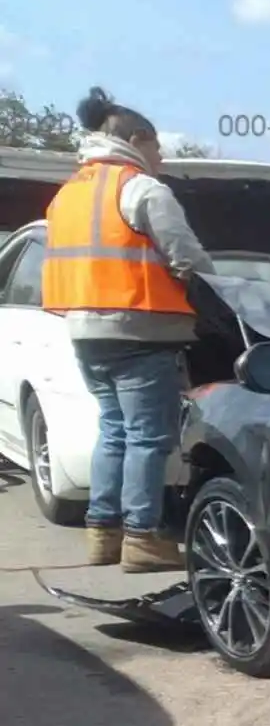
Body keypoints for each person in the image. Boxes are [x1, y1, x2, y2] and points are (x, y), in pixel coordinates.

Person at [42, 87, 213, 571]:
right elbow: (187, 257)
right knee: (148, 437)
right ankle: (143, 537)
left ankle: (104, 534)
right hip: (141, 329)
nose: (160, 157)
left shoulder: (68, 193)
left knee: (115, 430)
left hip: (86, 329)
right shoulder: (140, 188)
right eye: (157, 146)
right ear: (137, 139)